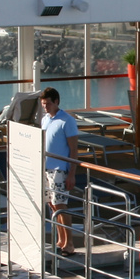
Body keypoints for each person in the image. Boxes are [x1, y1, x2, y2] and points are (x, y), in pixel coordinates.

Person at [39, 87, 80, 254]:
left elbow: (74, 149)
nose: (45, 107)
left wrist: (71, 174)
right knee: (52, 205)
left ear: (56, 102)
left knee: (61, 205)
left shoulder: (67, 121)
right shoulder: (45, 120)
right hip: (46, 168)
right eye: (43, 104)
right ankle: (60, 239)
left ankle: (69, 243)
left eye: (48, 104)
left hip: (60, 169)